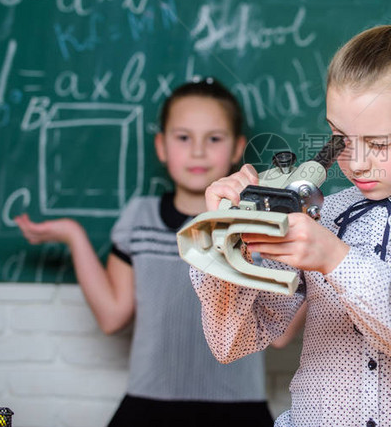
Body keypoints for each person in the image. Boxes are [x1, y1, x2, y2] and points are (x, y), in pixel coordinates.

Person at [191, 8, 391, 427]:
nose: (357, 163)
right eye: (341, 139)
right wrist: (226, 241)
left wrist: (336, 260)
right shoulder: (322, 213)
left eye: (379, 143)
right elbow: (232, 343)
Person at [15, 79, 277, 427]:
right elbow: (112, 317)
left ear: (236, 148)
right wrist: (74, 236)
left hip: (238, 408)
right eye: (183, 137)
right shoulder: (138, 219)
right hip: (149, 407)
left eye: (214, 138)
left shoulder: (255, 225)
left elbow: (280, 334)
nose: (198, 151)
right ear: (161, 146)